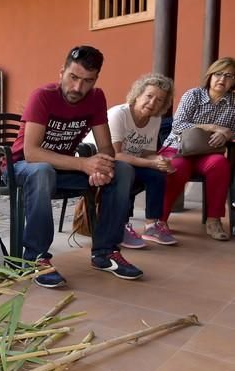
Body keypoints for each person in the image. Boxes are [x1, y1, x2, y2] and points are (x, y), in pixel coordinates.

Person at [8, 45, 143, 288]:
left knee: (123, 170)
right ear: (62, 72)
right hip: (22, 168)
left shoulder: (96, 98)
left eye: (87, 81)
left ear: (96, 80)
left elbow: (106, 148)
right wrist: (83, 164)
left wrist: (102, 169)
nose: (78, 88)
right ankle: (35, 258)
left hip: (62, 169)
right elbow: (32, 153)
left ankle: (104, 253)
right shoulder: (43, 96)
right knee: (42, 171)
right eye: (73, 77)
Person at [159, 57, 235, 241]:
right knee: (179, 168)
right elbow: (178, 125)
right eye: (218, 74)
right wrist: (212, 127)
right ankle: (160, 220)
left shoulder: (234, 102)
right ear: (210, 75)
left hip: (207, 153)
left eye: (228, 76)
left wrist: (227, 133)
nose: (221, 79)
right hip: (178, 148)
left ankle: (213, 220)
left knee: (220, 164)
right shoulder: (193, 95)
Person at [107, 73, 177, 248]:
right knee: (126, 171)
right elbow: (115, 154)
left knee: (157, 174)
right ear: (137, 95)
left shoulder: (154, 119)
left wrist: (161, 160)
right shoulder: (119, 114)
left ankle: (152, 226)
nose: (152, 103)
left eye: (159, 100)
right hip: (105, 161)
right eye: (149, 96)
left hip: (131, 162)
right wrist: (151, 162)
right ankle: (120, 227)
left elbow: (147, 153)